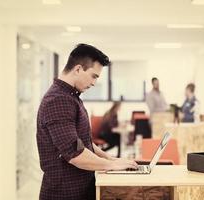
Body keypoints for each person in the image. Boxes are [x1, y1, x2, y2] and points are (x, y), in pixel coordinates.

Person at [36, 44, 138, 200]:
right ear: (78, 69)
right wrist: (111, 166)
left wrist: (110, 159)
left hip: (81, 188)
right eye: (94, 76)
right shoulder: (58, 100)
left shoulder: (71, 97)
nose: (94, 83)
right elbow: (75, 154)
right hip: (65, 193)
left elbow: (83, 143)